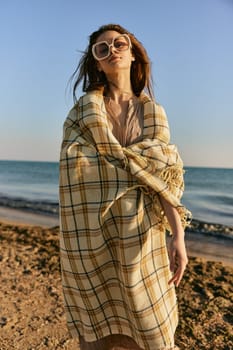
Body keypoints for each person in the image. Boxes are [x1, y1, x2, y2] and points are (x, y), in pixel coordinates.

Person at [59, 23, 191, 350]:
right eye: (102, 49)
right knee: (97, 331)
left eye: (119, 44)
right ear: (97, 63)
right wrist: (128, 168)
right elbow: (74, 172)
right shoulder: (81, 113)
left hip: (142, 233)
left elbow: (163, 179)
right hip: (90, 235)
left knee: (150, 329)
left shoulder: (153, 113)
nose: (112, 51)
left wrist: (179, 237)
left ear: (133, 54)